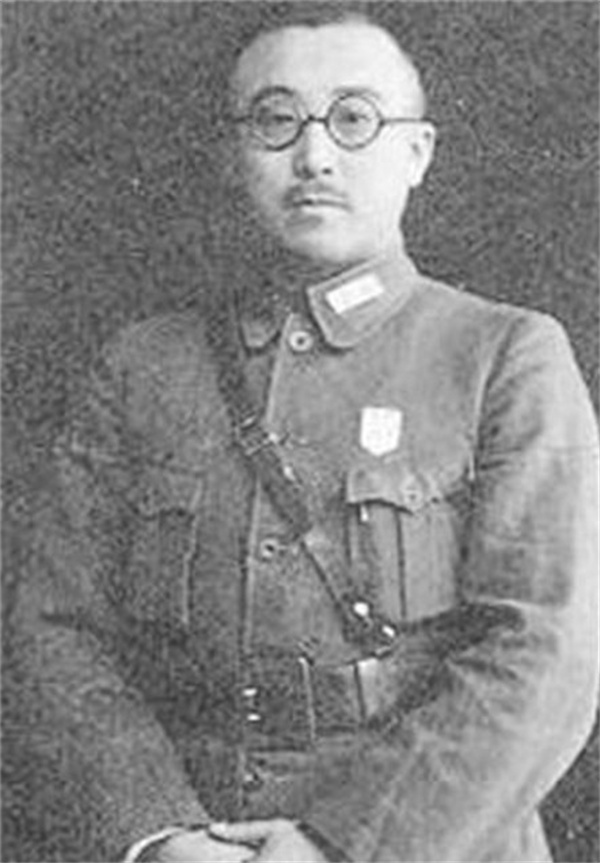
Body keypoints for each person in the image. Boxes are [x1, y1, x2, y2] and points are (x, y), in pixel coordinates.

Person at [4, 7, 598, 863]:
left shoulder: (501, 355)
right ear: (233, 154)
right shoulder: (143, 367)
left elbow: (548, 651)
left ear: (417, 153)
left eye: (355, 118)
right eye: (275, 120)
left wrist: (338, 845)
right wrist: (157, 832)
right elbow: (55, 631)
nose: (315, 154)